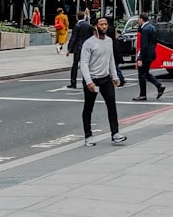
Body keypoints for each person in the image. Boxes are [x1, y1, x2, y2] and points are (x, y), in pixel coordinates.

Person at [80, 15, 126, 146]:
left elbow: (111, 59)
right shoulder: (89, 43)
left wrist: (115, 76)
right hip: (93, 80)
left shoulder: (109, 41)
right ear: (96, 26)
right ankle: (88, 136)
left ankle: (115, 133)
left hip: (106, 79)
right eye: (101, 24)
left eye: (105, 24)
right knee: (89, 107)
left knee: (112, 105)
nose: (104, 27)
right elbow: (83, 64)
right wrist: (88, 81)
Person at [132, 12, 165, 100]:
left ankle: (143, 95)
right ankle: (159, 85)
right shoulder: (152, 27)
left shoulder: (145, 30)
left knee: (141, 74)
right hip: (151, 53)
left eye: (139, 19)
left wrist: (140, 58)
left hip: (146, 55)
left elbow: (144, 45)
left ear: (141, 19)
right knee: (146, 73)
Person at [67, 11, 95, 88]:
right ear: (84, 17)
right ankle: (85, 81)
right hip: (86, 48)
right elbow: (92, 37)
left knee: (75, 65)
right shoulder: (88, 26)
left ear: (77, 17)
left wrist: (69, 49)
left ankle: (73, 83)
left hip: (78, 48)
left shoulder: (77, 26)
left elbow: (73, 38)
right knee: (86, 65)